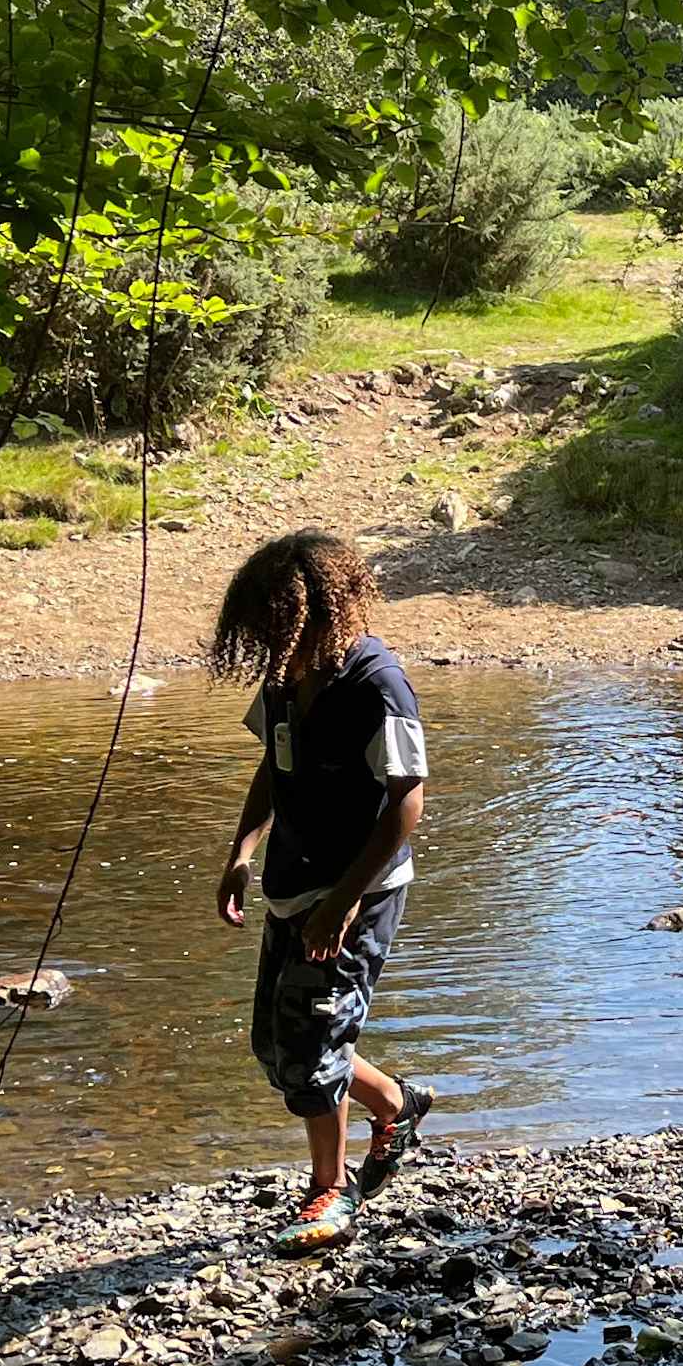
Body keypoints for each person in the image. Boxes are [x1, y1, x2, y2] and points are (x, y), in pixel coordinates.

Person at [210, 528, 434, 1252]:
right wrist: (242, 852)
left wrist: (343, 902)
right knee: (276, 1048)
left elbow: (408, 799)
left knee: (311, 1052)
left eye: (281, 628)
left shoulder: (376, 683)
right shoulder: (282, 679)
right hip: (292, 884)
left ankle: (330, 1194)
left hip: (357, 890)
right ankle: (396, 1103)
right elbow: (272, 771)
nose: (271, 646)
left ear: (322, 612)